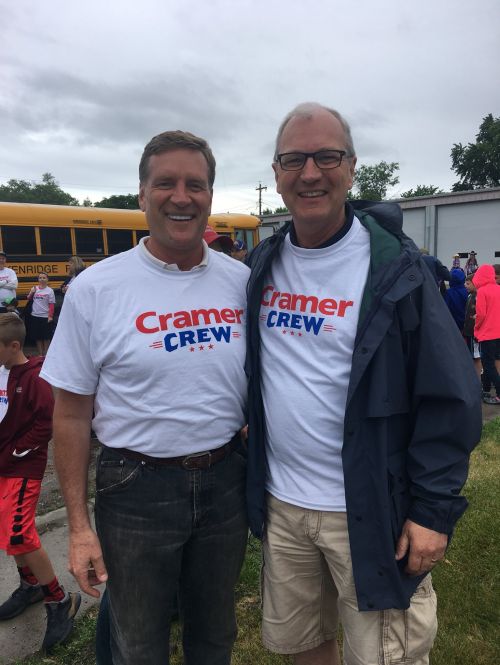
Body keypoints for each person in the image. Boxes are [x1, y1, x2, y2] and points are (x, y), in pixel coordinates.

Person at [245, 102, 482, 665]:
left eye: (326, 156)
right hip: (284, 505)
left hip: (371, 509)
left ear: (351, 167)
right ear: (276, 173)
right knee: (304, 646)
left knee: (384, 656)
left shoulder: (398, 270)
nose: (310, 173)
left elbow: (451, 397)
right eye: (294, 159)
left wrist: (432, 510)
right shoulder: (262, 264)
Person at [40, 130, 250, 665]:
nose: (182, 196)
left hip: (227, 482)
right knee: (137, 644)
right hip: (135, 489)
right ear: (141, 194)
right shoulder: (96, 288)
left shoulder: (241, 281)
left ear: (209, 196)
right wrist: (79, 528)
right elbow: (70, 412)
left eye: (195, 185)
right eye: (166, 183)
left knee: (214, 636)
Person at [0, 313, 81, 652]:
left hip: (21, 468)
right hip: (4, 466)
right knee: (8, 532)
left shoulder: (34, 379)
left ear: (14, 346)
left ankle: (59, 599)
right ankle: (30, 585)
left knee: (20, 533)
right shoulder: (3, 372)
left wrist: (16, 453)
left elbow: (45, 425)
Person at [472, 264, 500, 404]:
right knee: (493, 362)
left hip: (487, 333)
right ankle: (487, 389)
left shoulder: (482, 291)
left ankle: (499, 393)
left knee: (487, 364)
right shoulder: (499, 289)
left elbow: (481, 314)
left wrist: (476, 326)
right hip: (498, 333)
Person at [26, 272, 55, 356]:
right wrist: (32, 292)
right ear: (38, 279)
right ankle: (40, 354)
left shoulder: (50, 291)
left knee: (46, 337)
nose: (42, 279)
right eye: (40, 278)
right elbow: (28, 298)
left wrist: (50, 316)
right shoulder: (35, 288)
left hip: (45, 316)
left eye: (44, 278)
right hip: (35, 315)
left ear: (47, 279)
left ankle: (46, 354)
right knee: (37, 337)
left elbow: (51, 304)